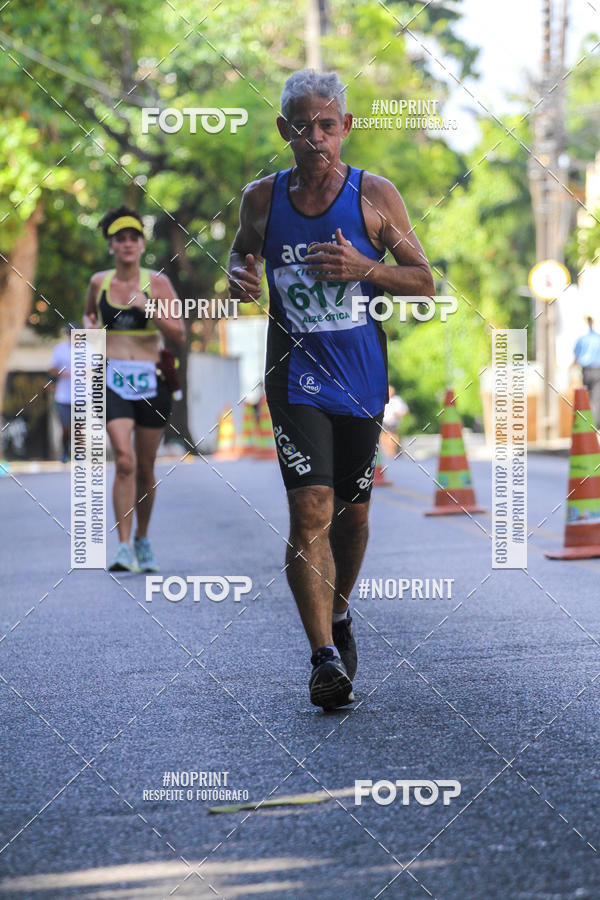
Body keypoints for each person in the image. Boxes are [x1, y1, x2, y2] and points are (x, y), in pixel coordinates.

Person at [228, 69, 434, 709]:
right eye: (302, 126)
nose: (315, 137)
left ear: (344, 127)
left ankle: (339, 613)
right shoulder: (261, 200)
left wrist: (364, 268)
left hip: (360, 377)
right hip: (295, 378)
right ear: (284, 130)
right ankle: (322, 658)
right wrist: (240, 277)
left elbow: (425, 281)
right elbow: (239, 254)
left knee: (353, 515)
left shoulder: (375, 195)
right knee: (310, 508)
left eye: (327, 125)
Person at [83, 206, 185, 572]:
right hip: (112, 380)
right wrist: (89, 332)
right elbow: (90, 318)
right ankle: (123, 546)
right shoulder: (99, 283)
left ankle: (142, 538)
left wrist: (150, 308)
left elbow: (179, 334)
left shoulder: (158, 284)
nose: (127, 244)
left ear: (142, 245)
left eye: (133, 238)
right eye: (119, 238)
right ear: (111, 246)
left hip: (151, 380)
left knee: (144, 466)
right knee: (124, 460)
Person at [49, 323, 76, 463]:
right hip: (63, 396)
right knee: (66, 427)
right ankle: (65, 449)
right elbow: (52, 369)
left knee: (80, 427)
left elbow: (97, 369)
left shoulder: (89, 349)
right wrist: (61, 373)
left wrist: (85, 372)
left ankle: (79, 454)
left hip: (83, 396)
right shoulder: (60, 349)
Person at [573, 316, 600, 427]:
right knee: (596, 398)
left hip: (586, 371)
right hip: (597, 371)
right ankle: (595, 423)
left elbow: (576, 357)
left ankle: (589, 423)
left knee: (587, 397)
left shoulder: (582, 339)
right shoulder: (598, 338)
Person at [382, 385, 409, 457]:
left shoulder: (397, 400)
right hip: (384, 423)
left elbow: (405, 411)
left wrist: (398, 414)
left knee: (392, 439)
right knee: (385, 439)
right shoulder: (382, 399)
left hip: (393, 424)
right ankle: (389, 453)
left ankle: (392, 454)